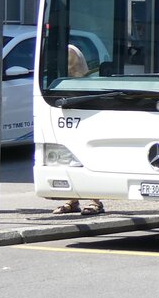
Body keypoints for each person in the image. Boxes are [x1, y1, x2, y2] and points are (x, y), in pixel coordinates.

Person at [52, 43, 104, 216]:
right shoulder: (62, 49)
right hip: (65, 107)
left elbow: (75, 74)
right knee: (67, 157)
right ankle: (72, 200)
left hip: (77, 105)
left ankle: (95, 201)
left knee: (83, 157)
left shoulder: (69, 51)